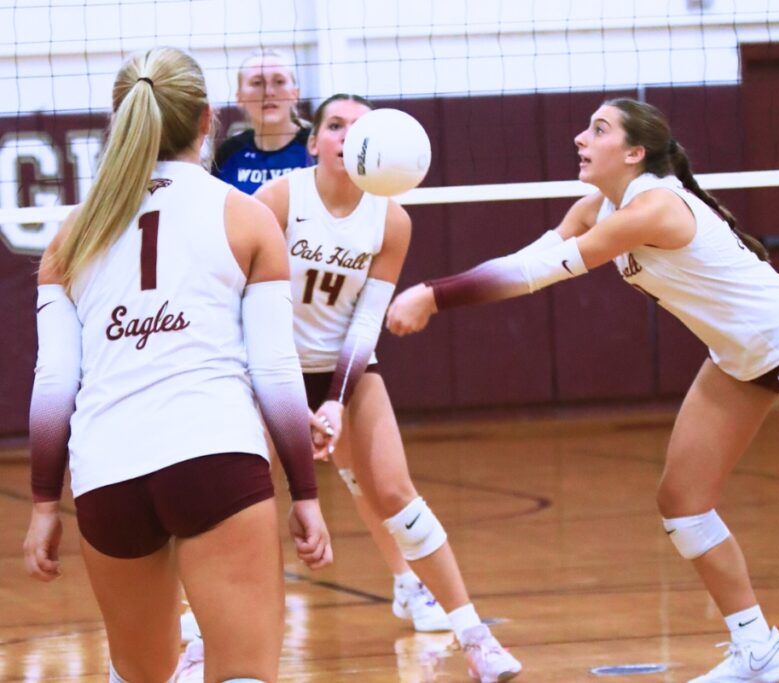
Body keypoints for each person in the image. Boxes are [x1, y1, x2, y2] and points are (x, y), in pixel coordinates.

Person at [385, 96, 779, 683]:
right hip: (737, 357)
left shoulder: (654, 208)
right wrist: (438, 294)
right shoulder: (595, 209)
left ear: (634, 153)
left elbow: (536, 275)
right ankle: (758, 647)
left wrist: (434, 296)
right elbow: (526, 260)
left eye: (598, 130)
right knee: (682, 502)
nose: (581, 137)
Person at [21, 47, 333, 683]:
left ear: (122, 119)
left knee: (141, 675)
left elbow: (54, 384)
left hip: (107, 473)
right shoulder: (246, 217)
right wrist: (305, 491)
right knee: (243, 671)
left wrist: (44, 504)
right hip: (213, 456)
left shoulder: (70, 234)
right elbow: (276, 371)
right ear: (206, 121)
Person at [253, 93, 522, 683]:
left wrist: (334, 400)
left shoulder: (391, 218)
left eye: (359, 126)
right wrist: (290, 399)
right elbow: (243, 305)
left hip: (343, 368)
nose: (347, 136)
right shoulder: (277, 199)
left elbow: (366, 320)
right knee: (242, 501)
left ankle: (474, 638)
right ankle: (201, 639)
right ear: (313, 142)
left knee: (395, 491)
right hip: (266, 368)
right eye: (334, 126)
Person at [212, 49, 311, 195]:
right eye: (257, 83)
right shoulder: (229, 152)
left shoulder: (315, 146)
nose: (269, 92)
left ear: (295, 94)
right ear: (239, 97)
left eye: (279, 82)